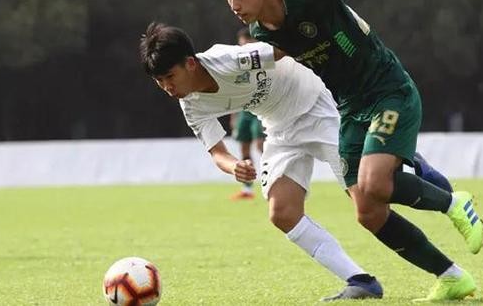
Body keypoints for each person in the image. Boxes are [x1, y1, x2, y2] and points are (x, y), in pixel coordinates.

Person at [210, 0, 482, 301]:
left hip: (388, 90)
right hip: (351, 109)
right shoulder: (258, 32)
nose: (234, 5)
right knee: (367, 211)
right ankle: (453, 277)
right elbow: (276, 55)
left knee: (375, 184)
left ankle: (455, 203)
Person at [139, 22, 384, 300]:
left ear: (190, 64)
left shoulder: (229, 59)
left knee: (371, 196)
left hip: (315, 106)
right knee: (282, 213)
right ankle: (360, 281)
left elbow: (283, 49)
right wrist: (235, 166)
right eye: (159, 81)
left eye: (170, 77)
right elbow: (217, 152)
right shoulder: (191, 105)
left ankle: (416, 171)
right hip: (279, 129)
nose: (167, 87)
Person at [229, 28, 266, 200]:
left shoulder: (263, 61)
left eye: (247, 44)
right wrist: (234, 116)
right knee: (244, 148)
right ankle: (247, 189)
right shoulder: (237, 65)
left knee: (261, 146)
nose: (244, 48)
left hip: (261, 110)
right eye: (241, 45)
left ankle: (275, 179)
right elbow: (234, 91)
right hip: (244, 111)